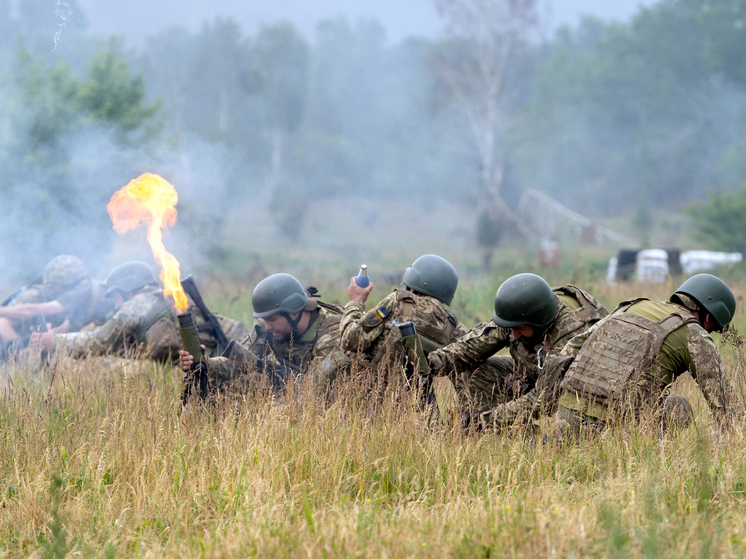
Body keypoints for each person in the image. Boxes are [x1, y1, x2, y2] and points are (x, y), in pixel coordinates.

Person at [555, 273, 739, 434]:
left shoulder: (630, 306)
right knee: (677, 406)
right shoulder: (693, 333)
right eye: (712, 328)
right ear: (708, 317)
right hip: (614, 431)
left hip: (564, 422)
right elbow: (726, 405)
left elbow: (567, 352)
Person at [427, 273, 608, 430]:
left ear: (540, 323)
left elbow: (542, 400)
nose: (513, 334)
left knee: (564, 431)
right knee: (474, 369)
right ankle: (507, 435)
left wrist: (482, 421)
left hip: (576, 392)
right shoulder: (520, 312)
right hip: (536, 373)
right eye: (510, 327)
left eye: (519, 328)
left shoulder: (569, 336)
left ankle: (527, 443)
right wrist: (430, 364)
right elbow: (469, 348)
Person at [30, 261, 248, 361]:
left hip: (227, 361)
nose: (116, 305)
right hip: (233, 352)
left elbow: (98, 342)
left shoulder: (139, 304)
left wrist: (55, 341)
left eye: (116, 297)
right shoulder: (163, 298)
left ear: (128, 291)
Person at [179, 273, 350, 395]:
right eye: (264, 320)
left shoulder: (331, 334)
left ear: (294, 313)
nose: (266, 326)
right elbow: (237, 363)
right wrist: (206, 364)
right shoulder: (268, 328)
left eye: (272, 319)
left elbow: (315, 391)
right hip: (287, 389)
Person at [340, 254, 469, 386]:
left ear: (412, 286)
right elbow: (462, 378)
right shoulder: (453, 326)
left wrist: (356, 301)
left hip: (370, 395)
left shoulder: (398, 300)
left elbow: (350, 340)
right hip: (416, 402)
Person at [0, 255, 113, 352]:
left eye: (55, 287)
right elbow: (65, 328)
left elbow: (34, 310)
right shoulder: (82, 296)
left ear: (69, 284)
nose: (53, 291)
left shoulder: (82, 290)